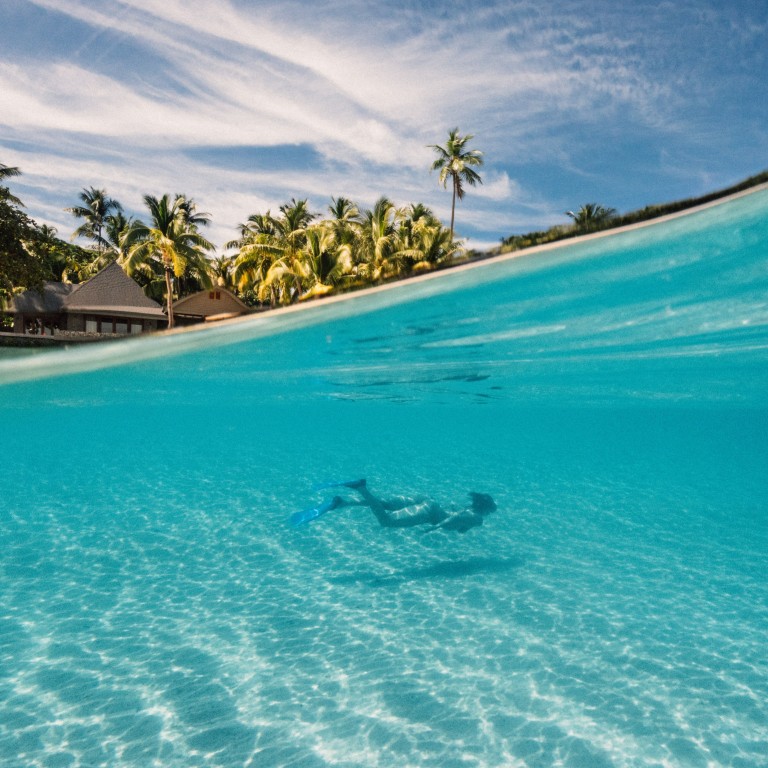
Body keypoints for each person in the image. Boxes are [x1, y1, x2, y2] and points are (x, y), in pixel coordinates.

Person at [309, 479, 497, 533]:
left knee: (385, 504)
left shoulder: (469, 511)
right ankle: (361, 488)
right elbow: (455, 518)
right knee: (387, 521)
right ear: (485, 509)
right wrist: (435, 528)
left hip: (427, 501)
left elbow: (458, 517)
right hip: (429, 512)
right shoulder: (477, 519)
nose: (490, 514)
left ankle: (343, 503)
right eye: (490, 511)